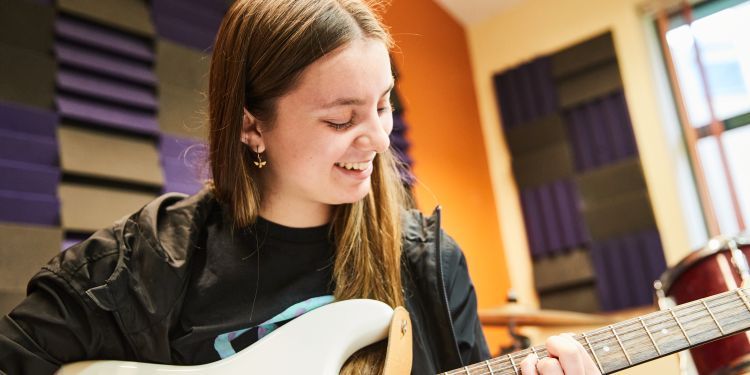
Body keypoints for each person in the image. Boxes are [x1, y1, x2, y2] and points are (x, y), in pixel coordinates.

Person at [0, 0, 600, 374]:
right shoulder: (148, 261)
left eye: (385, 106)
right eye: (341, 119)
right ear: (251, 126)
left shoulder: (428, 262)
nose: (377, 139)